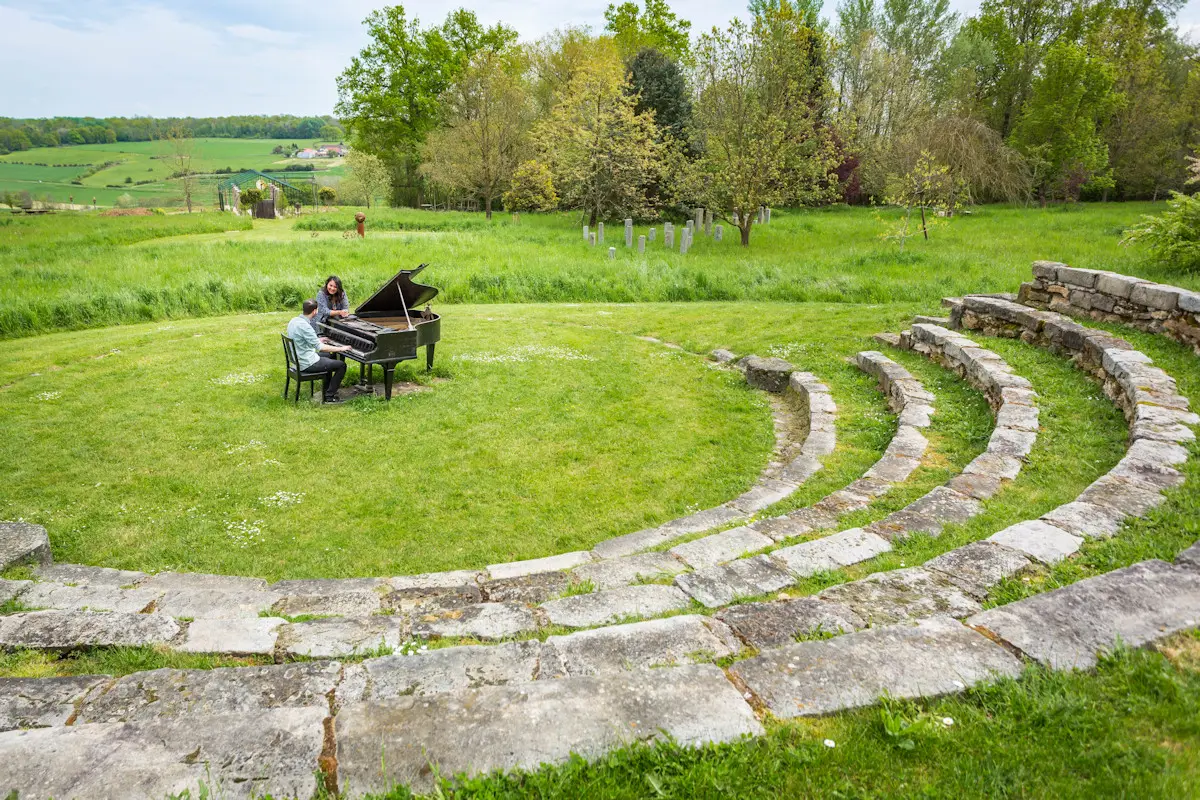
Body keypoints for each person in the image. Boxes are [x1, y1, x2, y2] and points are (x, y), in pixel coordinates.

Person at [287, 299, 351, 404]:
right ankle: (329, 397)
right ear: (315, 311)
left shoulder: (294, 321)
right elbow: (321, 347)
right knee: (341, 365)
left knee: (329, 356)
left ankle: (328, 388)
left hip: (298, 358)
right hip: (306, 363)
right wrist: (341, 348)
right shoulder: (306, 327)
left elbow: (304, 339)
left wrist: (318, 340)